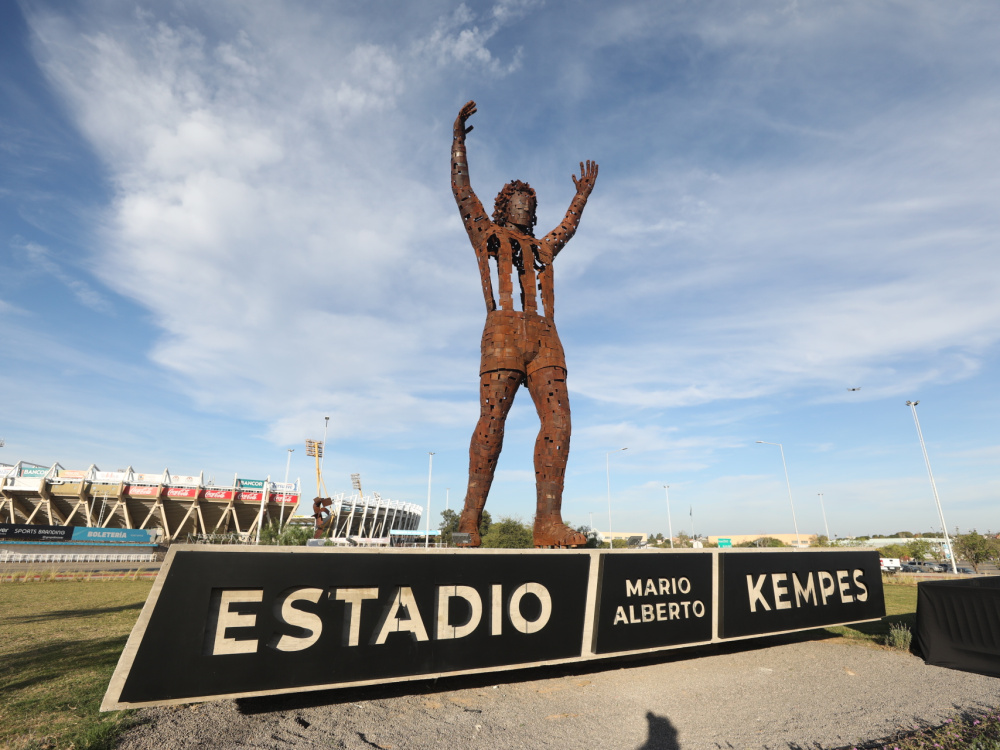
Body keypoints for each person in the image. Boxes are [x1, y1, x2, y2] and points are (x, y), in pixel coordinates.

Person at [450, 99, 598, 548]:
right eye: (514, 202)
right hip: (503, 333)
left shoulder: (544, 248)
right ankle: (468, 521)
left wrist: (580, 198)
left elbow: (566, 229)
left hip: (545, 338)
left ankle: (547, 523)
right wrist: (458, 142)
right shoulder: (487, 237)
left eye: (527, 203)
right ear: (502, 208)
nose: (521, 208)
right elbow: (462, 192)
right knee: (492, 423)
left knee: (560, 424)